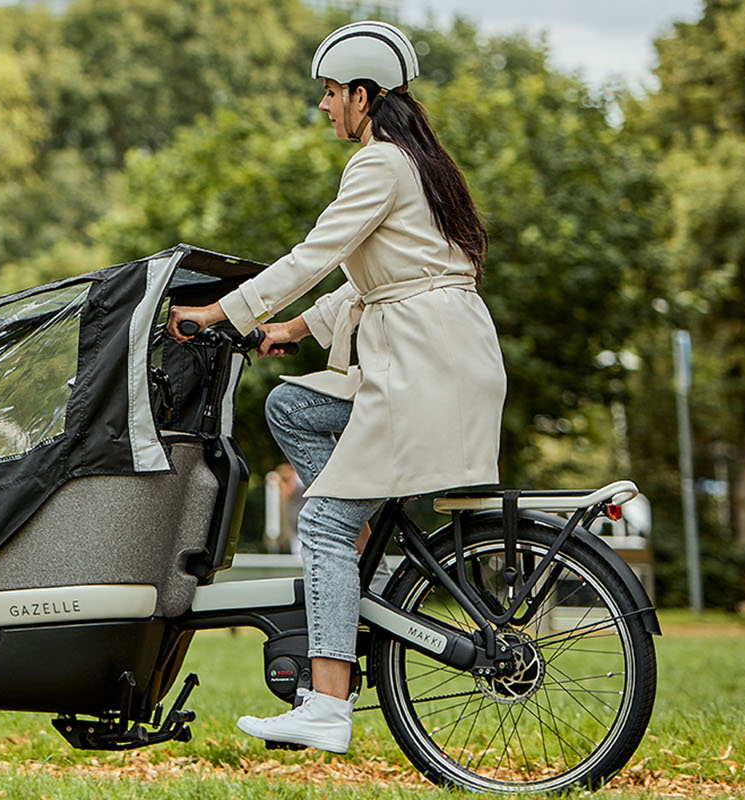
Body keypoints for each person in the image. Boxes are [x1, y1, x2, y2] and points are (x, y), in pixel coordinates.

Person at [168, 20, 506, 755]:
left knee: (317, 521)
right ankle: (352, 562)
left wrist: (220, 312)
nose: (323, 106)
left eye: (329, 93)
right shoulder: (417, 164)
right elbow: (377, 277)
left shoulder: (377, 164)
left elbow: (316, 255)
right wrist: (288, 331)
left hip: (424, 367)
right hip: (440, 358)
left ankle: (325, 705)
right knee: (291, 402)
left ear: (363, 95)